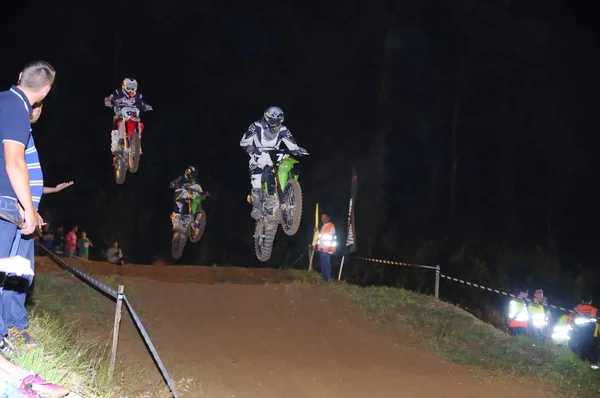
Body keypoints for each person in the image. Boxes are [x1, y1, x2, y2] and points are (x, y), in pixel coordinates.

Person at [2, 101, 73, 347]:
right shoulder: (16, 132)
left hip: (26, 214)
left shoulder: (27, 136)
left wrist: (50, 191)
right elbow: (11, 171)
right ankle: (11, 326)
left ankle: (15, 323)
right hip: (17, 212)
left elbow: (28, 179)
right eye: (34, 107)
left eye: (41, 108)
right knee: (12, 271)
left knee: (22, 273)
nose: (37, 112)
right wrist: (26, 206)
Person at [0, 61, 55, 352]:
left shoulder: (4, 101)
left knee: (10, 270)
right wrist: (28, 207)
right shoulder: (16, 108)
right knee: (5, 270)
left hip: (12, 204)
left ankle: (10, 328)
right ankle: (4, 338)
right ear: (45, 91)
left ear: (20, 75)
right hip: (5, 201)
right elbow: (14, 161)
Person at [239, 106, 308, 220]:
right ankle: (257, 206)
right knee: (257, 173)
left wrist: (299, 149)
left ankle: (286, 193)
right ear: (267, 118)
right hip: (258, 155)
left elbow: (292, 145)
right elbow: (244, 141)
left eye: (278, 121)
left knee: (287, 165)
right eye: (272, 120)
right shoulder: (256, 126)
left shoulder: (283, 130)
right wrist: (249, 148)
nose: (275, 123)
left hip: (275, 156)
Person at [104, 78, 153, 162]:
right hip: (120, 113)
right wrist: (108, 101)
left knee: (140, 123)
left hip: (133, 115)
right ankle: (115, 143)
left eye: (132, 87)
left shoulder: (138, 96)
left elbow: (142, 103)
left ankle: (137, 143)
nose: (130, 90)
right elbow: (110, 98)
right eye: (129, 87)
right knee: (116, 120)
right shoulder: (118, 93)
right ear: (124, 86)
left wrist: (146, 106)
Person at [568, 296, 599, 363]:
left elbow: (570, 320)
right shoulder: (595, 310)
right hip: (591, 332)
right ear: (590, 301)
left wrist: (572, 328)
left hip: (578, 331)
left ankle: (580, 361)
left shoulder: (576, 309)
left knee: (580, 347)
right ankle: (594, 365)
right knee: (592, 348)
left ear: (582, 301)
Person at [316, 214, 337, 282]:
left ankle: (327, 279)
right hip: (322, 248)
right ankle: (324, 278)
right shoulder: (323, 226)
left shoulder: (331, 226)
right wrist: (316, 231)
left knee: (326, 264)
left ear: (329, 218)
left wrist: (331, 249)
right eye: (322, 218)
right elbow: (322, 237)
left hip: (327, 249)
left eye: (325, 217)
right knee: (323, 263)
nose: (323, 219)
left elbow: (333, 238)